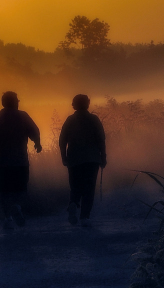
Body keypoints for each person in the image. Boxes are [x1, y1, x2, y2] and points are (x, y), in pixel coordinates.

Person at [0, 91, 42, 230]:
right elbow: (35, 131)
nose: (18, 101)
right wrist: (37, 143)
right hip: (20, 161)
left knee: (4, 191)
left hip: (2, 162)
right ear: (15, 102)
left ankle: (8, 218)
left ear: (3, 103)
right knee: (21, 189)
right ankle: (17, 207)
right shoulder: (23, 117)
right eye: (17, 100)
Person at [59, 94, 107, 227]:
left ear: (74, 105)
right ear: (88, 104)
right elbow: (101, 140)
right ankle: (84, 216)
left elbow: (62, 140)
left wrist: (63, 156)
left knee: (75, 186)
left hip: (74, 159)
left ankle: (73, 203)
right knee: (89, 188)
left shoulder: (70, 120)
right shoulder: (94, 119)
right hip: (92, 159)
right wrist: (103, 156)